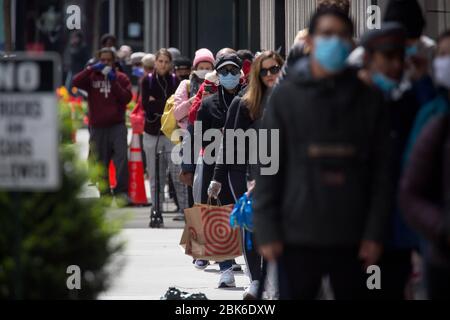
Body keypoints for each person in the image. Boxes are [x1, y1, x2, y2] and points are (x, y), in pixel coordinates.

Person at [253, 8, 391, 300]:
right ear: (311, 42)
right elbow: (269, 168)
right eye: (327, 34)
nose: (335, 42)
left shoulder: (369, 99)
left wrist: (375, 232)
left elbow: (382, 173)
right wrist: (266, 229)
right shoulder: (286, 97)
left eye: (342, 35)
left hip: (352, 236)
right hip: (296, 235)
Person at [208, 51, 284, 299]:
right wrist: (217, 178)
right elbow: (229, 143)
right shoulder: (244, 103)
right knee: (252, 223)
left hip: (280, 170)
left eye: (275, 69)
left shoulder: (290, 101)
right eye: (265, 71)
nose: (270, 75)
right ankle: (255, 280)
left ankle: (274, 278)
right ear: (256, 75)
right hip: (243, 171)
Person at [359, 22, 422, 299]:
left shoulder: (409, 101)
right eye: (387, 57)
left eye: (400, 58)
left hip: (398, 231)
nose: (395, 66)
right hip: (353, 231)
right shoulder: (347, 104)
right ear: (368, 59)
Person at [399, 30, 450, 300]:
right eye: (443, 54)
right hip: (439, 249)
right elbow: (411, 189)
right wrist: (441, 228)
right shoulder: (435, 114)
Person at [195, 53, 244, 287]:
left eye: (234, 71)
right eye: (224, 71)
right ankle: (226, 267)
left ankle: (252, 266)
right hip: (215, 167)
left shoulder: (249, 99)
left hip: (246, 166)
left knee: (246, 217)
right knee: (219, 216)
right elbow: (198, 139)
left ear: (241, 73)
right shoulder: (207, 104)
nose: (229, 76)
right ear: (217, 75)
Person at [72, 47, 132, 202]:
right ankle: (104, 193)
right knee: (101, 162)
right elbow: (75, 81)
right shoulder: (92, 77)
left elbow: (126, 98)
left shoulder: (121, 77)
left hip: (117, 125)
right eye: (102, 60)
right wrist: (91, 68)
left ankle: (121, 193)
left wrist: (114, 81)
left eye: (108, 60)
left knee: (121, 159)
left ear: (113, 62)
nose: (105, 63)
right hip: (98, 126)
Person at [141, 48, 188, 220]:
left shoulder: (176, 80)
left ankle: (184, 210)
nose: (163, 64)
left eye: (166, 62)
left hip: (172, 133)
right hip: (152, 132)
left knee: (177, 173)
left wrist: (159, 104)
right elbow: (147, 105)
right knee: (155, 175)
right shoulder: (147, 80)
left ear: (170, 64)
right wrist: (165, 105)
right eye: (160, 61)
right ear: (155, 62)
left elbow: (176, 107)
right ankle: (156, 210)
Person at [174, 49, 215, 130]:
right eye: (201, 68)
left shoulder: (217, 84)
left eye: (208, 68)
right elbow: (177, 114)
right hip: (188, 133)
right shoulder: (186, 84)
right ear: (195, 69)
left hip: (212, 133)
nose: (204, 71)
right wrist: (194, 99)